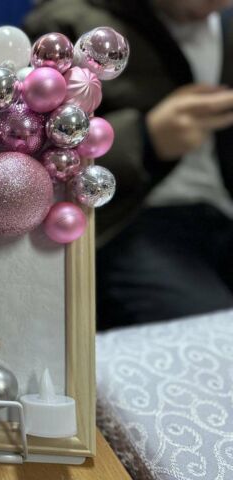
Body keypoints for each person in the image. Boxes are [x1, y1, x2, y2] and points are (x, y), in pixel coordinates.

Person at [24, 0, 233, 329]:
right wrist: (145, 139)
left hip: (220, 213)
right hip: (126, 223)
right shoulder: (66, 24)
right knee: (211, 332)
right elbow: (32, 158)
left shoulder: (224, 25)